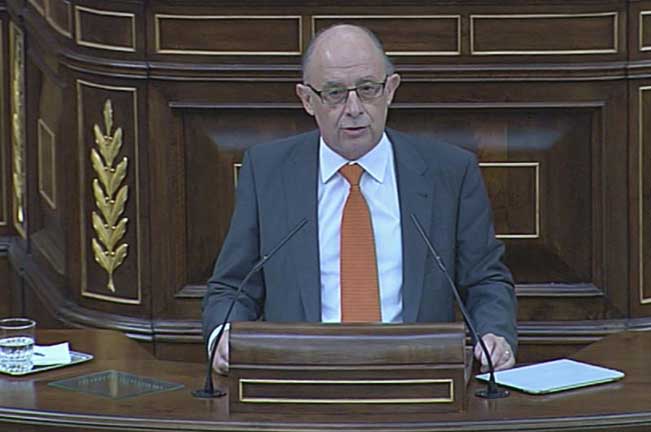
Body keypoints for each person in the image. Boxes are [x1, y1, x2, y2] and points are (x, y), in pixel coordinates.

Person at [202, 24, 517, 375]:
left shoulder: (449, 171)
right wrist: (223, 335)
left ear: (390, 90)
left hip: (418, 376)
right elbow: (233, 286)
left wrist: (494, 334)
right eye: (335, 93)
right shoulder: (267, 171)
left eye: (367, 89)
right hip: (300, 377)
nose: (354, 108)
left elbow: (484, 280)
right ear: (307, 100)